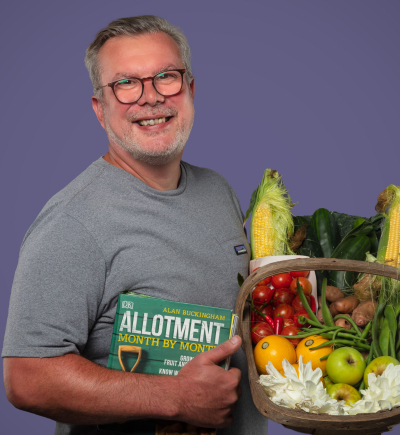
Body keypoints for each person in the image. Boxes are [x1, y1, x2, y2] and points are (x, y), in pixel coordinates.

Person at [2, 15, 268, 435]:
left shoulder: (219, 191)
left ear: (190, 89)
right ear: (100, 108)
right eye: (126, 84)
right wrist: (175, 397)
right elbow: (26, 377)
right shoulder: (73, 221)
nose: (150, 98)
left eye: (167, 77)